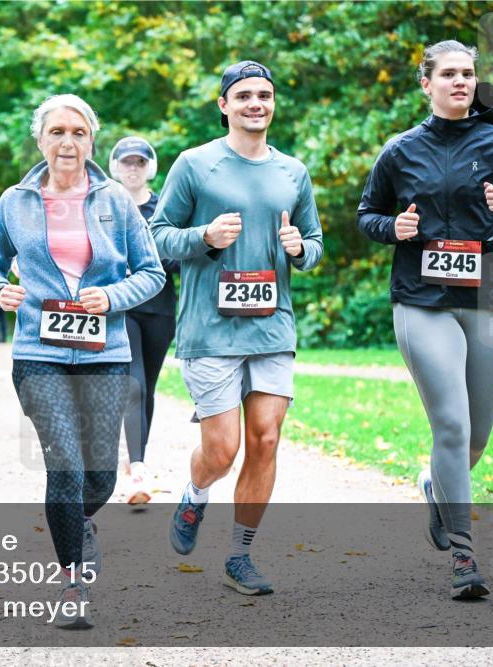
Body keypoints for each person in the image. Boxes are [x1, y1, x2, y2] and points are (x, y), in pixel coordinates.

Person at [358, 40, 493, 600]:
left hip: (491, 293)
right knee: (453, 425)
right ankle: (464, 554)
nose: (460, 81)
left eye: (468, 73)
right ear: (427, 83)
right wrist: (397, 230)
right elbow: (368, 215)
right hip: (422, 296)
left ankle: (436, 486)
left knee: (478, 433)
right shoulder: (400, 150)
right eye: (449, 74)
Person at [0, 94, 164, 628]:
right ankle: (72, 584)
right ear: (40, 139)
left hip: (104, 351)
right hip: (38, 352)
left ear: (91, 141)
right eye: (57, 131)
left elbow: (151, 272)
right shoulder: (14, 201)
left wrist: (114, 298)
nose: (68, 142)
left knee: (100, 480)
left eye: (79, 133)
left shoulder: (116, 201)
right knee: (65, 466)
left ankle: (77, 520)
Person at [150, 61, 323, 595]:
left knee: (266, 439)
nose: (256, 104)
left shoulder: (292, 171)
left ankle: (240, 555)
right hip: (210, 329)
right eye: (244, 95)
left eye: (264, 95)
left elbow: (314, 244)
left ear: (273, 104)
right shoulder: (195, 165)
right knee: (222, 450)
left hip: (272, 327)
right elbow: (155, 237)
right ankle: (195, 495)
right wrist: (204, 235)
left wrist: (301, 250)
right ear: (224, 105)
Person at [108, 136, 178, 505]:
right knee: (132, 384)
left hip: (160, 310)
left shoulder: (163, 209)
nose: (132, 169)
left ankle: (139, 460)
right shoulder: (106, 204)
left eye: (138, 163)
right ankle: (137, 469)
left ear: (148, 167)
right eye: (125, 162)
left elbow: (180, 253)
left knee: (146, 387)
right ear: (115, 167)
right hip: (122, 309)